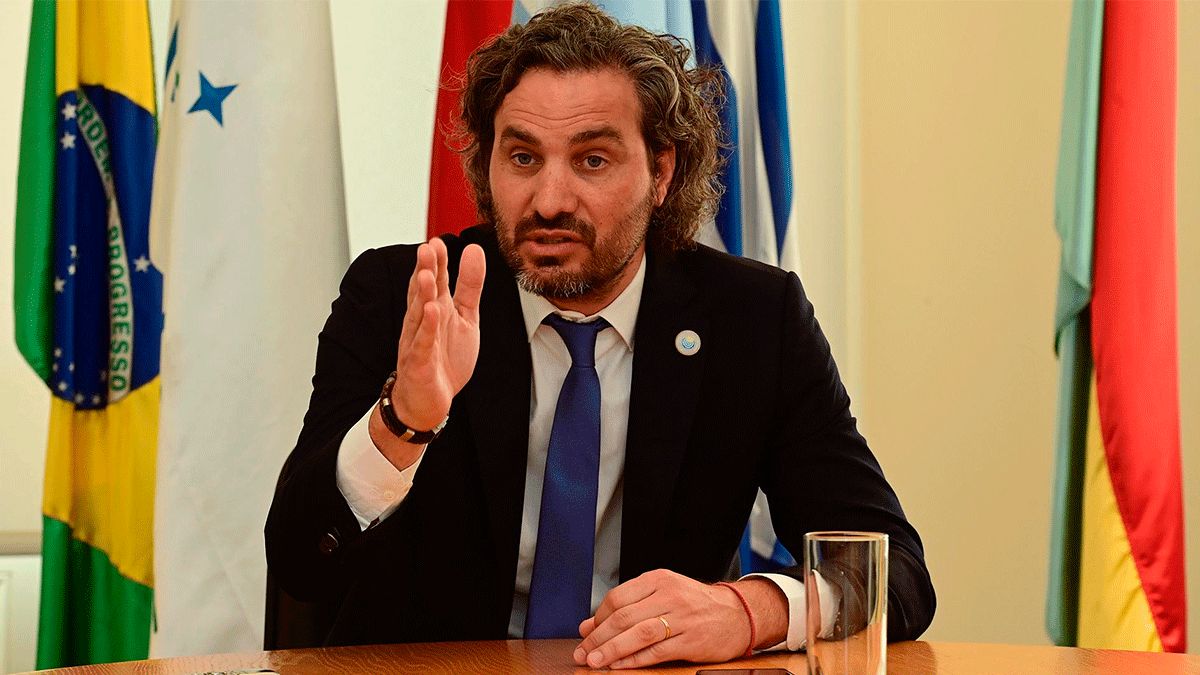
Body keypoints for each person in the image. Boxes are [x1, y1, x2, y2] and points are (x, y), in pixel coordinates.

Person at [265, 2, 934, 669]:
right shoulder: (406, 297)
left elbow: (892, 571)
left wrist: (748, 611)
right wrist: (401, 424)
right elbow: (299, 561)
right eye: (522, 157)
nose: (550, 199)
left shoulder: (753, 318)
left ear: (661, 172)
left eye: (591, 160)